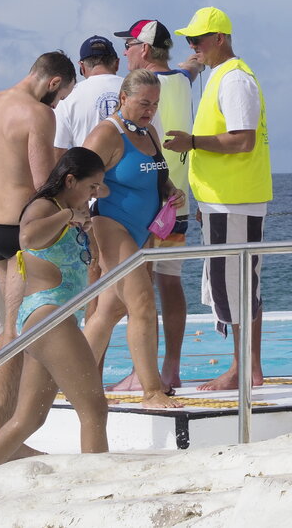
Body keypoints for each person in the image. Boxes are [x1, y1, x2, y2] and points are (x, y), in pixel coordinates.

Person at [0, 148, 110, 507]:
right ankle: (99, 496)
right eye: (90, 186)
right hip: (49, 314)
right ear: (70, 180)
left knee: (27, 419)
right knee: (94, 410)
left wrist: (85, 211)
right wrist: (70, 215)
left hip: (50, 316)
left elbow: (90, 203)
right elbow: (27, 238)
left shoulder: (68, 209)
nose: (93, 194)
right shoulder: (45, 208)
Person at [0, 51, 76, 450]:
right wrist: (74, 213)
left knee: (10, 325)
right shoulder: (38, 115)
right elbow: (44, 184)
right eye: (59, 97)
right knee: (14, 333)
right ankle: (3, 439)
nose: (56, 106)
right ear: (53, 83)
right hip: (21, 232)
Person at [163, 7, 272, 391]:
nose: (192, 47)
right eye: (188, 41)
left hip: (234, 199)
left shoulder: (234, 79)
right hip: (224, 200)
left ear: (220, 38)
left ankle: (244, 369)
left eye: (198, 40)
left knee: (237, 286)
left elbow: (241, 140)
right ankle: (249, 368)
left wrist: (191, 142)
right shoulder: (220, 77)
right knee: (236, 283)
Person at [82, 69, 185, 409]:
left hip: (145, 231)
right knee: (142, 303)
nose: (149, 110)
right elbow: (75, 180)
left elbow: (158, 174)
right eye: (143, 103)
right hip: (113, 226)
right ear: (122, 98)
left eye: (154, 104)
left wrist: (171, 191)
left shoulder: (149, 131)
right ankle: (152, 391)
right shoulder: (106, 135)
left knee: (109, 311)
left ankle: (71, 379)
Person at [110, 19, 197, 391]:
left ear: (144, 50)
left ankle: (141, 372)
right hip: (177, 204)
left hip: (146, 207)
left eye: (129, 45)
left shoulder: (142, 91)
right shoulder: (180, 81)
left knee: (138, 294)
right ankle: (170, 367)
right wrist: (196, 62)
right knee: (170, 284)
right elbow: (188, 70)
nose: (124, 52)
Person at [53, 36, 123, 162]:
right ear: (117, 63)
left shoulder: (68, 97)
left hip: (89, 179)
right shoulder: (137, 90)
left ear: (82, 66)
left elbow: (58, 149)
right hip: (134, 178)